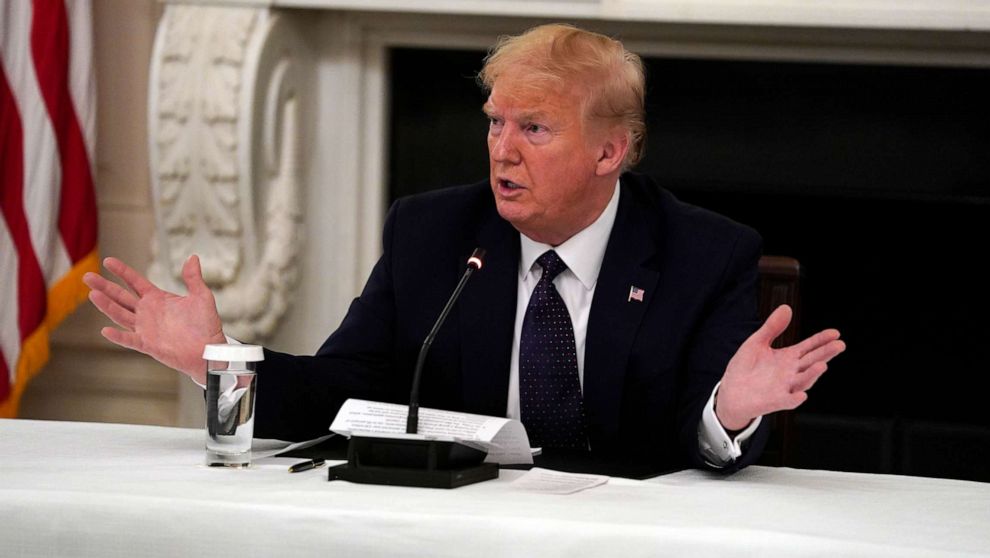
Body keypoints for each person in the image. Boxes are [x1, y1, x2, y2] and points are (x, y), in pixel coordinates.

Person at [84, 23, 844, 476]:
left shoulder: (705, 254)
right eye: (494, 123)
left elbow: (705, 440)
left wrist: (729, 411)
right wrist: (218, 360)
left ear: (611, 151)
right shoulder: (434, 234)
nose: (501, 152)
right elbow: (339, 394)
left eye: (534, 130)